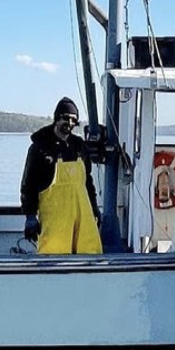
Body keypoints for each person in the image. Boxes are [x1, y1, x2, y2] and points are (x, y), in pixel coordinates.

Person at [20, 97, 102, 254]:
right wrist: (30, 216)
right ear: (56, 118)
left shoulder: (79, 146)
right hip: (55, 217)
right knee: (52, 257)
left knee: (90, 253)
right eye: (66, 118)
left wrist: (94, 208)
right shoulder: (40, 148)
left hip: (82, 216)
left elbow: (88, 182)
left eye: (74, 120)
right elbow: (28, 185)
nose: (69, 124)